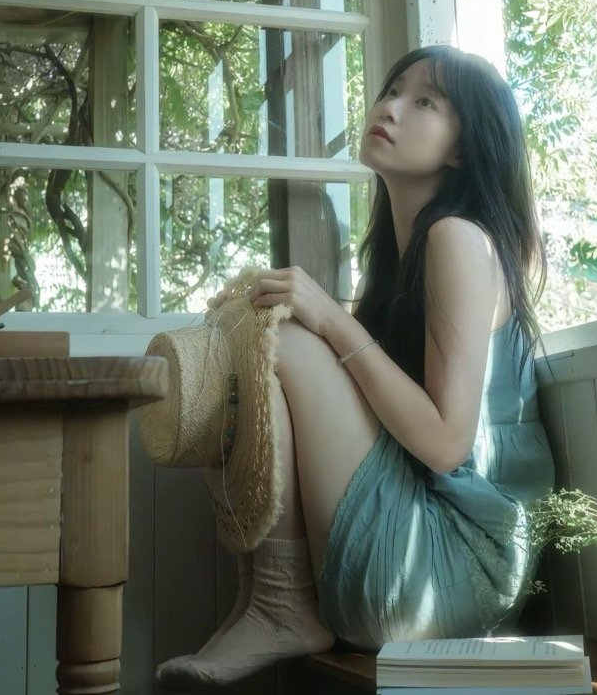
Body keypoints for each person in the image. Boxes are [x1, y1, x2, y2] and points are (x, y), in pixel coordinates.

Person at [157, 45, 556, 689]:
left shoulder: (457, 237)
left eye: (424, 101)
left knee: (287, 335)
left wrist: (329, 319)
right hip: (417, 555)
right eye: (392, 90)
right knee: (272, 329)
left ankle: (282, 603)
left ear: (461, 149)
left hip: (452, 568)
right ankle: (269, 598)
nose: (389, 108)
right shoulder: (406, 255)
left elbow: (446, 444)